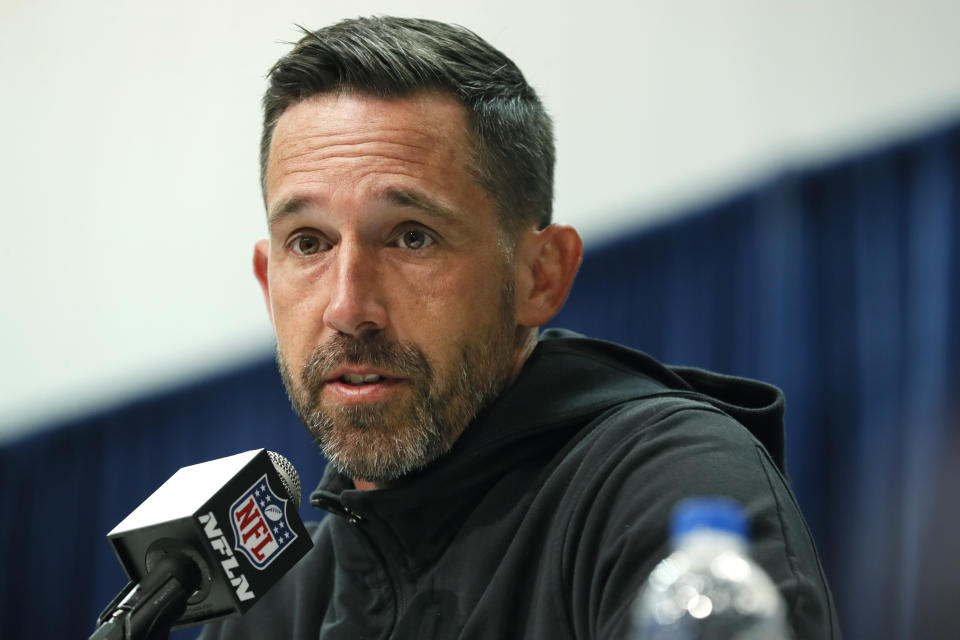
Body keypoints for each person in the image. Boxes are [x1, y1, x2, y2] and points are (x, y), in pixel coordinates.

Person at [199, 16, 840, 639]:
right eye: (308, 243)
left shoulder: (669, 487)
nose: (347, 307)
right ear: (266, 281)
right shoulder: (273, 602)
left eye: (411, 237)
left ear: (541, 275)